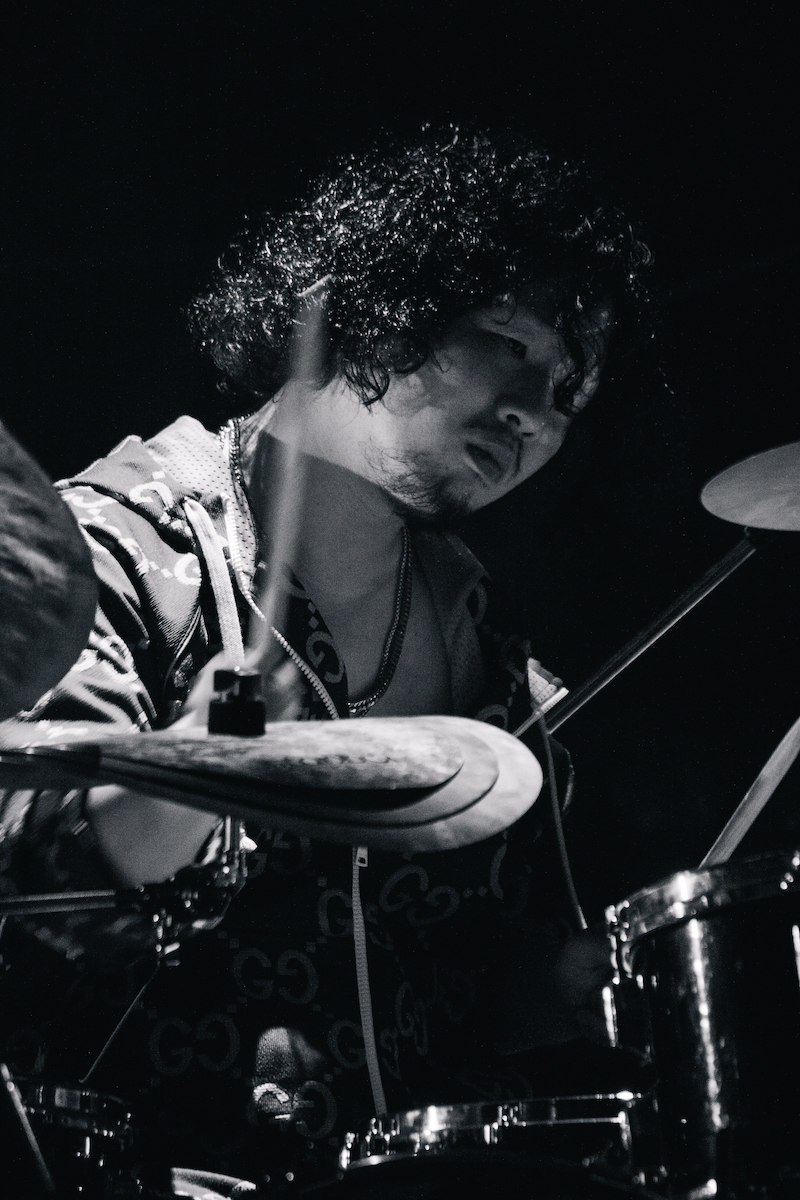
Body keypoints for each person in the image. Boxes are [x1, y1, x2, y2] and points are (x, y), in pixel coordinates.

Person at [0, 126, 653, 1192]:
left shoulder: (492, 653)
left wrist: (561, 987)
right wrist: (191, 767)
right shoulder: (119, 549)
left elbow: (456, 992)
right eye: (509, 342)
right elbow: (33, 892)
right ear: (380, 305)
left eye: (569, 395)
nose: (534, 414)